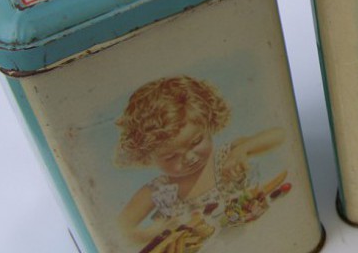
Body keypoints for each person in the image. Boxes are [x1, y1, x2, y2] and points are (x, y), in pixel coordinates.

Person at [114, 75, 283, 244]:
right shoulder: (160, 190)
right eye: (171, 156)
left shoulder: (225, 157)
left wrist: (242, 150)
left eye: (196, 142)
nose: (189, 158)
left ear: (208, 123)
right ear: (146, 156)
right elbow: (119, 230)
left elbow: (279, 135)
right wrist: (148, 234)